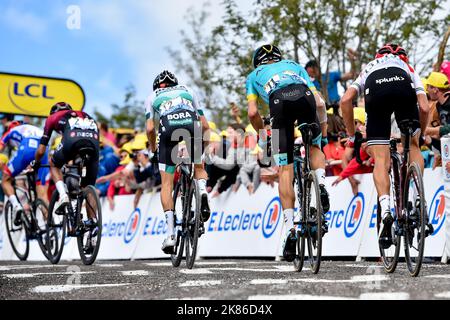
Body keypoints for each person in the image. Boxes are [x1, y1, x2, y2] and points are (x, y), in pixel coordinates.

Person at [340, 43, 430, 248]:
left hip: (376, 92)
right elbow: (424, 107)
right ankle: (419, 200)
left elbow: (346, 100)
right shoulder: (407, 68)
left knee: (381, 159)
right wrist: (421, 135)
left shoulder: (370, 66)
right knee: (413, 146)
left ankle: (386, 209)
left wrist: (353, 136)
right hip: (403, 91)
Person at [246, 44, 330, 262]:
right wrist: (324, 134)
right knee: (314, 147)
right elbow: (319, 102)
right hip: (304, 96)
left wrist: (263, 133)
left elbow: (253, 112)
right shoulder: (294, 66)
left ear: (259, 63)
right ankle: (321, 185)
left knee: (285, 168)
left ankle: (290, 230)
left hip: (278, 102)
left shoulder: (254, 75)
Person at [145, 70, 211, 254]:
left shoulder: (152, 96)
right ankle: (202, 190)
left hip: (168, 130)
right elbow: (205, 125)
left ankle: (170, 234)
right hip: (192, 126)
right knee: (198, 168)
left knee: (167, 184)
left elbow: (150, 128)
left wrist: (153, 147)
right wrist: (203, 147)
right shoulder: (189, 90)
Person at [34, 102, 100, 221]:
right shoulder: (85, 115)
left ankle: (63, 195)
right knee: (89, 186)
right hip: (93, 143)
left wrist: (37, 162)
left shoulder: (52, 118)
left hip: (72, 139)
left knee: (53, 163)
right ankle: (92, 224)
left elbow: (40, 151)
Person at [0, 121, 50, 225]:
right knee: (42, 194)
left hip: (27, 147)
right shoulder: (33, 127)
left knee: (5, 180)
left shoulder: (11, 131)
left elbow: (1, 147)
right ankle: (51, 227)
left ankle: (16, 206)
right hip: (44, 149)